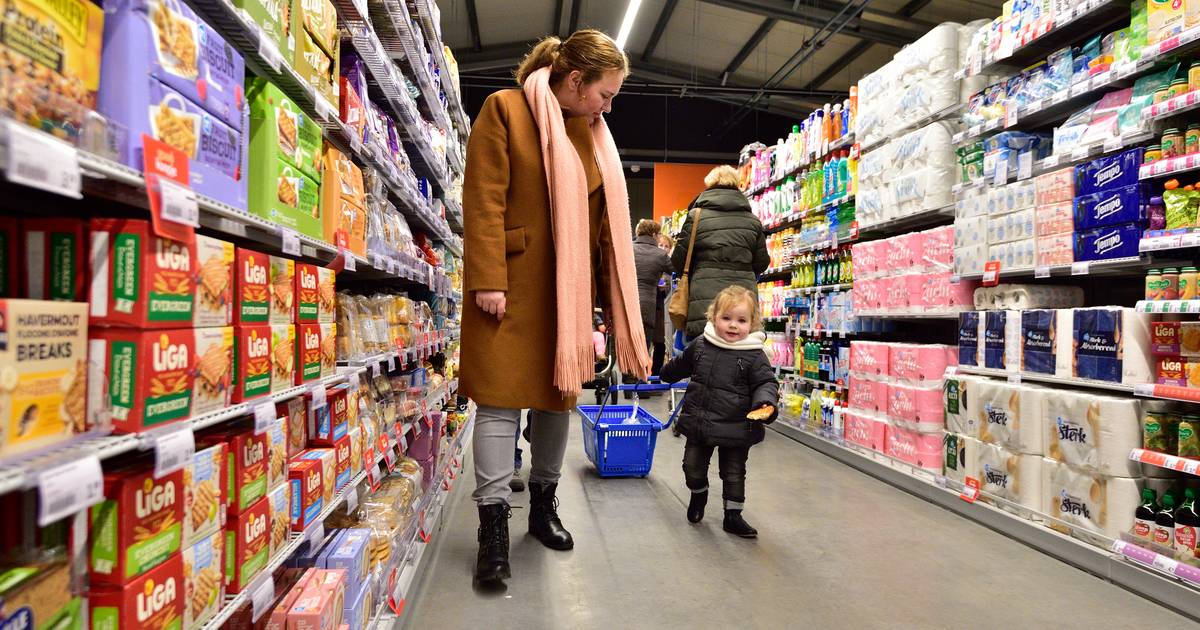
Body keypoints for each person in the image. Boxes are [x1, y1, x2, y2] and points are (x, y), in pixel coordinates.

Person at [460, 29, 651, 586]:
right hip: (511, 288)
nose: (609, 106)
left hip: (568, 298)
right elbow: (484, 198)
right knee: (498, 402)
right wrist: (488, 278)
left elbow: (600, 227)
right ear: (575, 80)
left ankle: (542, 506)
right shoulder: (506, 110)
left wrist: (607, 298)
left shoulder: (595, 136)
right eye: (605, 94)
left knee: (556, 401)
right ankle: (492, 527)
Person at [659, 285, 778, 538]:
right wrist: (665, 374)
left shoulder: (754, 355)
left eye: (741, 320)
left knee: (734, 472)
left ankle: (733, 516)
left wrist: (765, 403)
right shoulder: (702, 344)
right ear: (713, 318)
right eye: (726, 318)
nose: (733, 325)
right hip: (700, 421)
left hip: (737, 426)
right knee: (692, 466)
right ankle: (698, 494)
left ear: (753, 324)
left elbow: (766, 383)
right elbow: (682, 365)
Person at [670, 165, 770, 341]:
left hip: (704, 300)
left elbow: (678, 260)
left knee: (702, 354)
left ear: (709, 185)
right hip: (742, 300)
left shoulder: (697, 215)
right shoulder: (753, 221)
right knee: (740, 356)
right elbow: (762, 263)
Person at [632, 219, 672, 375]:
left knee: (629, 342)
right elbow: (674, 270)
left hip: (628, 304)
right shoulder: (661, 254)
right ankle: (641, 383)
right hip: (648, 305)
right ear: (655, 234)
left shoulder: (629, 249)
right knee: (644, 345)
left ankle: (629, 380)